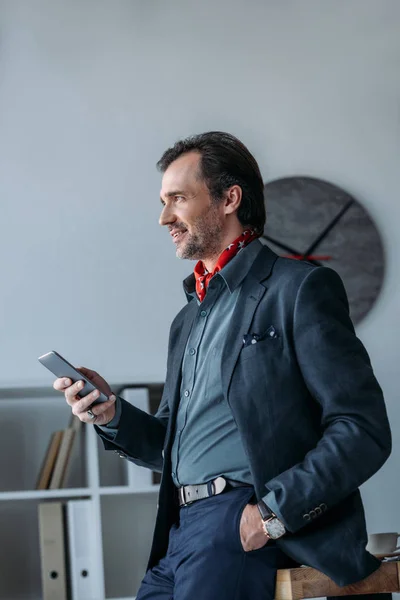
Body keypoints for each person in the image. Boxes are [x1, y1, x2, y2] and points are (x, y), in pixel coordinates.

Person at [53, 131, 391, 600]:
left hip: (240, 524)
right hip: (179, 528)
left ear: (229, 199)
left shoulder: (299, 290)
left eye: (178, 199)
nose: (164, 217)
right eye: (163, 201)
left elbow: (363, 429)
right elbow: (171, 448)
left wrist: (269, 515)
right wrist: (110, 415)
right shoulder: (188, 318)